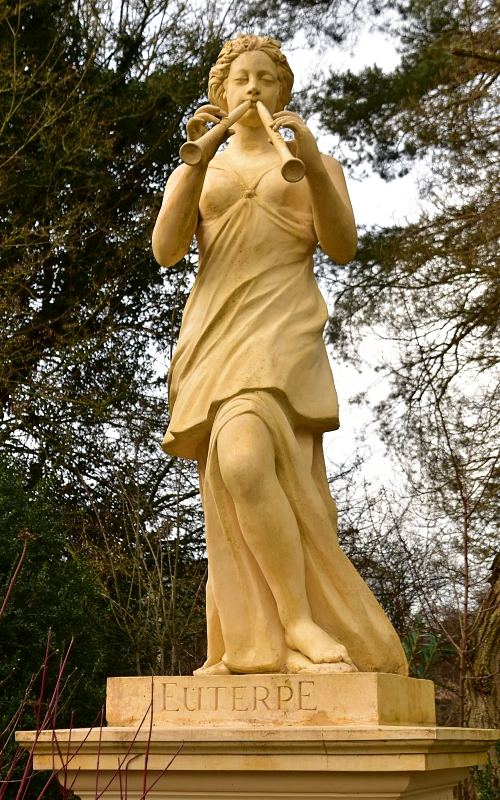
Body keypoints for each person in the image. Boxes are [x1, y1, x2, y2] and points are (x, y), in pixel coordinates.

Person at [152, 34, 408, 676]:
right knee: (232, 481)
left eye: (267, 79)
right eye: (242, 79)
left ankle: (296, 621)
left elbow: (343, 245)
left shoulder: (312, 162)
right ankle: (249, 642)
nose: (254, 89)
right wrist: (193, 159)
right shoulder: (201, 165)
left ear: (284, 91)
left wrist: (313, 160)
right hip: (215, 331)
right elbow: (165, 249)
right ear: (220, 90)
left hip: (284, 326)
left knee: (241, 460)